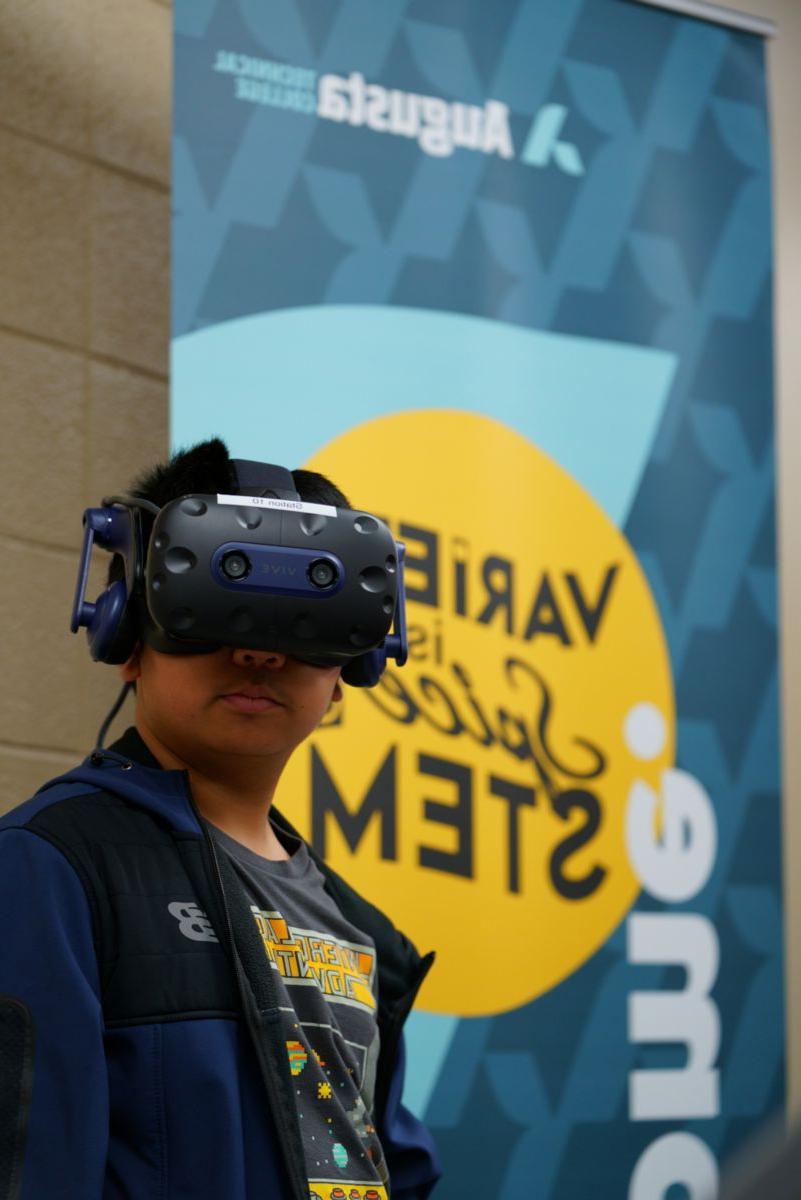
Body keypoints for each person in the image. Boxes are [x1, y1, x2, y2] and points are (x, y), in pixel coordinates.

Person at [0, 438, 440, 1200]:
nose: (258, 652)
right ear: (126, 634)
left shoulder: (365, 935)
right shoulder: (47, 870)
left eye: (305, 620)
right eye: (212, 607)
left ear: (349, 672)